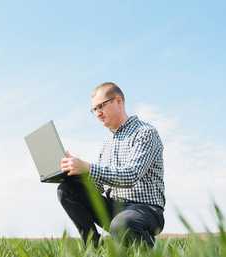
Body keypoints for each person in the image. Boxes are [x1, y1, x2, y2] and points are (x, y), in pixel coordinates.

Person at [58, 82, 165, 247]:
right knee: (67, 189)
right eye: (95, 110)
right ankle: (92, 247)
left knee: (122, 224)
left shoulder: (145, 133)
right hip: (114, 206)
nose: (98, 113)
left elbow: (131, 175)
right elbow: (99, 186)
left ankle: (149, 256)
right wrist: (78, 175)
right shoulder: (107, 142)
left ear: (119, 102)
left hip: (146, 209)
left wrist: (88, 167)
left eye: (101, 106)